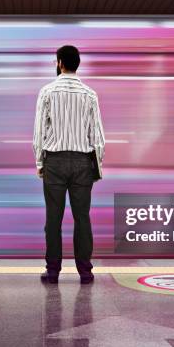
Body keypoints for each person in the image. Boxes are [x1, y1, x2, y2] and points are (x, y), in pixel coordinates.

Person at [33, 45, 105, 284]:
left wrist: (40, 162)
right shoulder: (89, 94)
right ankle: (85, 271)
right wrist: (96, 165)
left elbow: (39, 132)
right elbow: (98, 137)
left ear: (60, 62)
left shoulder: (47, 91)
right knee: (82, 217)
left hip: (54, 161)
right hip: (82, 162)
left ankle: (53, 270)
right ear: (77, 63)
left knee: (53, 218)